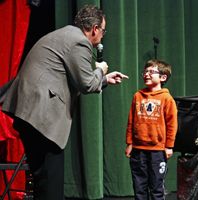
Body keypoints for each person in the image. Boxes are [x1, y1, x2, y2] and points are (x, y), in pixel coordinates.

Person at [1, 4, 128, 200]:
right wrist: (101, 69)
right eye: (102, 31)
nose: (102, 36)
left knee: (43, 179)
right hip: (42, 116)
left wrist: (104, 80)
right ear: (94, 29)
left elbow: (75, 78)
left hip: (29, 113)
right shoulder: (79, 42)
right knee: (50, 183)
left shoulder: (64, 35)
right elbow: (86, 84)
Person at [125, 59, 177, 200]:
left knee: (156, 188)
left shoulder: (167, 99)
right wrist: (129, 143)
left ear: (163, 77)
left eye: (151, 72)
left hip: (157, 151)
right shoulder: (137, 96)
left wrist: (169, 146)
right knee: (139, 188)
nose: (146, 74)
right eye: (145, 71)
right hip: (138, 150)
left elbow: (172, 124)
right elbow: (131, 121)